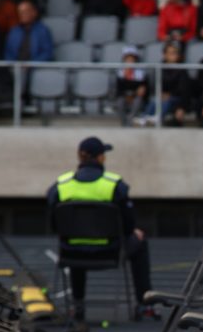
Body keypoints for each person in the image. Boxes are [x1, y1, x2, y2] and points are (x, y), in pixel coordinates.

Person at [46, 136, 156, 322]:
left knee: (74, 238)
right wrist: (132, 233)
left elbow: (53, 225)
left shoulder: (60, 186)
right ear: (100, 158)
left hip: (71, 253)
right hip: (110, 251)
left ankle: (78, 305)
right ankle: (144, 304)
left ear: (79, 157)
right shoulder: (115, 185)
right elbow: (129, 224)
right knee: (140, 242)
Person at [143, 42, 192, 126]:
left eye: (175, 53)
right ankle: (144, 119)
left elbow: (184, 90)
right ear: (165, 55)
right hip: (162, 96)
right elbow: (155, 85)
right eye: (170, 53)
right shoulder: (159, 68)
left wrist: (171, 96)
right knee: (154, 100)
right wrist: (161, 93)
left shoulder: (182, 70)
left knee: (166, 101)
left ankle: (157, 118)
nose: (173, 55)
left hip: (176, 98)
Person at [116, 46, 148, 121]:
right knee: (120, 102)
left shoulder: (141, 73)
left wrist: (135, 94)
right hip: (124, 96)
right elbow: (118, 90)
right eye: (128, 58)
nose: (130, 61)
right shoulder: (120, 73)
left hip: (136, 97)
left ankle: (130, 120)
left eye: (132, 58)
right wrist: (126, 95)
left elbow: (144, 89)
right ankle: (124, 122)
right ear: (124, 59)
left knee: (138, 101)